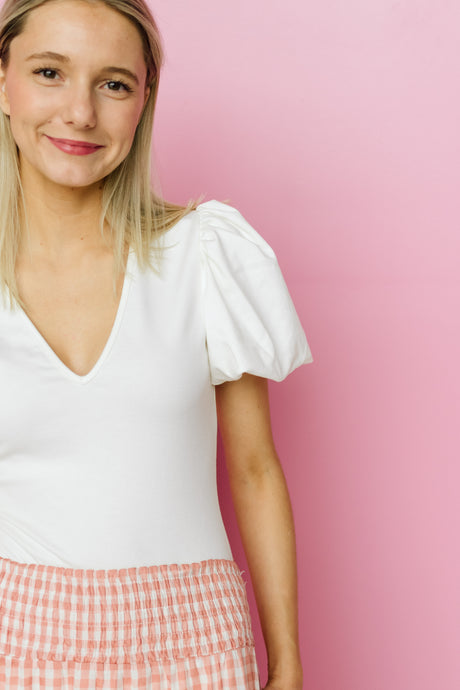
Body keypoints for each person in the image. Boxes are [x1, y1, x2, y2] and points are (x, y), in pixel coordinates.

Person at [0, 0, 313, 687]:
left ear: (145, 97)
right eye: (49, 72)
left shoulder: (204, 253)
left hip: (196, 642)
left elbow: (255, 469)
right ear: (3, 80)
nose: (80, 113)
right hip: (16, 639)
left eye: (113, 83)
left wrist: (286, 659)